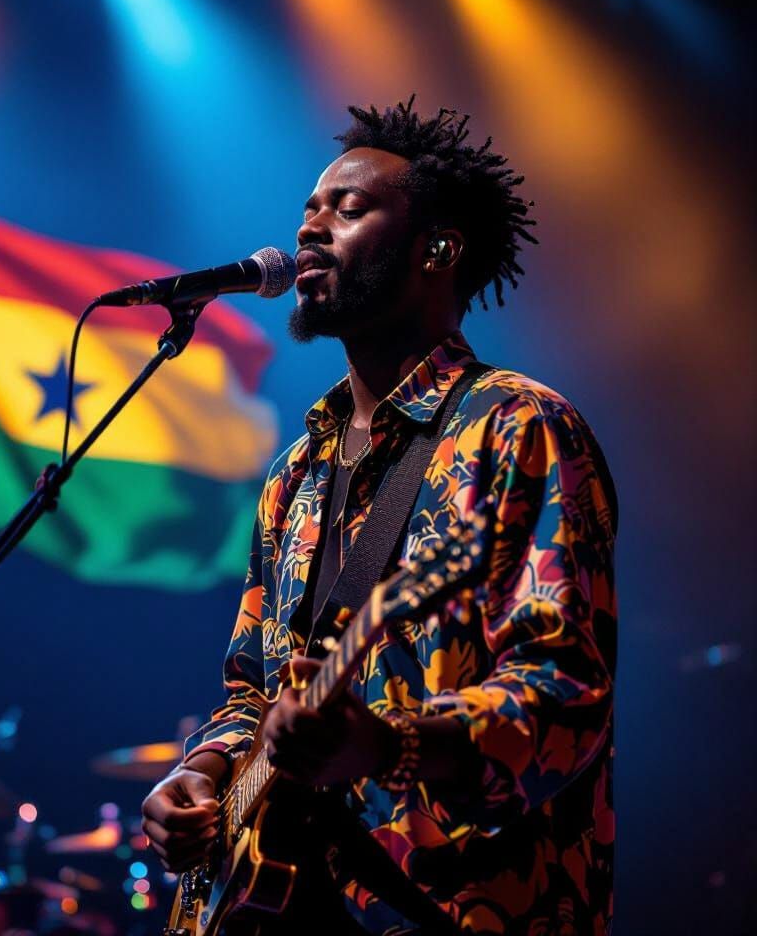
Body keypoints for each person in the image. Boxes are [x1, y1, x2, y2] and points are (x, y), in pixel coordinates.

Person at [142, 97, 617, 935]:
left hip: (457, 905)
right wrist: (207, 773)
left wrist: (388, 746)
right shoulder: (295, 474)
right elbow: (254, 688)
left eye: (349, 208)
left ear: (438, 250)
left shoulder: (518, 428)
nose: (310, 228)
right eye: (310, 209)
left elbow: (565, 695)